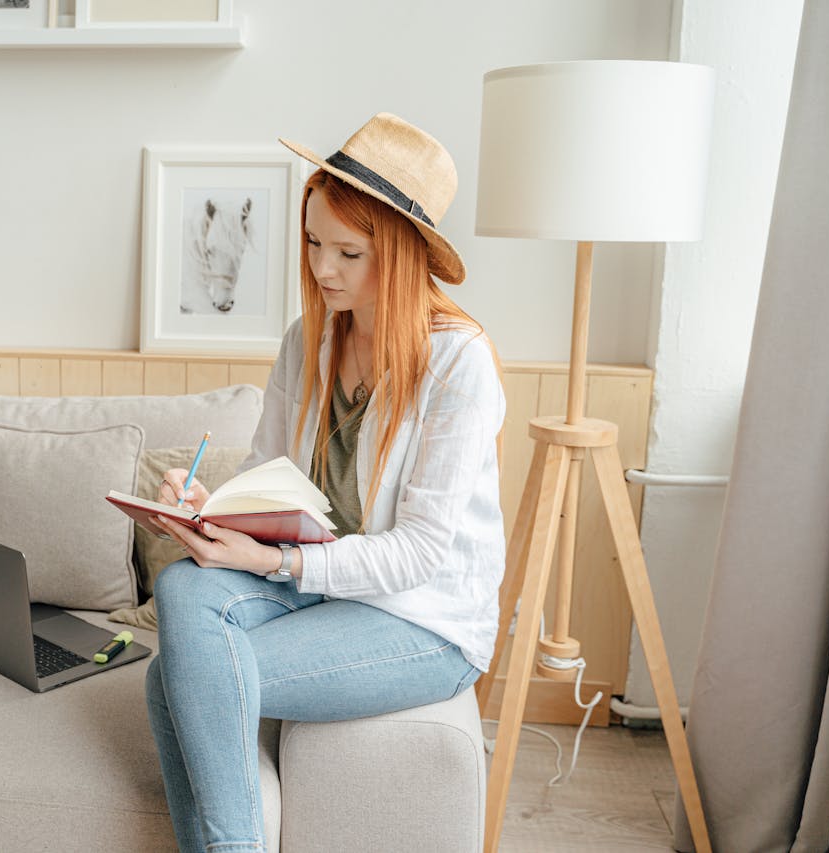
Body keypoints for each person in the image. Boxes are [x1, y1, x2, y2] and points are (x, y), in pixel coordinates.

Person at [146, 113, 507, 853]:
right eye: (313, 242)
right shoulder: (309, 338)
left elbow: (417, 554)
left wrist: (275, 561)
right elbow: (268, 478)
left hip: (421, 618)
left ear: (403, 255)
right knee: (183, 585)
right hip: (320, 578)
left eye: (349, 252)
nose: (323, 269)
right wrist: (210, 509)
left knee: (171, 682)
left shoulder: (459, 362)